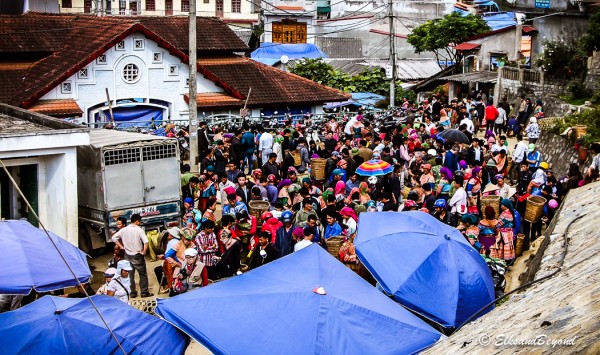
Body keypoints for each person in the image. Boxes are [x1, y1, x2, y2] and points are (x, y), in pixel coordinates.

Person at [111, 214, 152, 298]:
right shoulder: (139, 230)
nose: (139, 223)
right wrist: (144, 252)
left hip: (127, 255)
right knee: (142, 274)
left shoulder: (124, 230)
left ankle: (132, 293)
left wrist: (122, 247)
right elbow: (146, 242)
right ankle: (144, 292)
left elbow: (114, 238)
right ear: (137, 221)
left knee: (130, 275)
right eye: (139, 222)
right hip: (137, 255)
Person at [497, 199, 516, 264]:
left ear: (506, 206)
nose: (501, 206)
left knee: (505, 246)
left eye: (503, 205)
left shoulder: (506, 214)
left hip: (505, 234)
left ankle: (507, 260)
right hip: (507, 233)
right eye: (501, 205)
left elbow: (500, 224)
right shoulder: (506, 212)